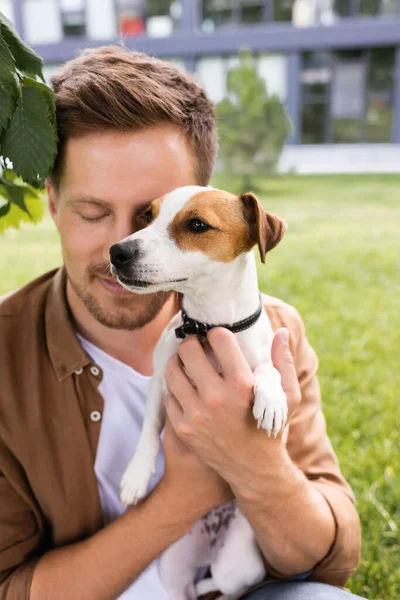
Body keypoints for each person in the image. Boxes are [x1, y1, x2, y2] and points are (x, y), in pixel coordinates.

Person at [0, 46, 363, 600]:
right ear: (51, 202)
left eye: (154, 214)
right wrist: (184, 497)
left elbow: (327, 559)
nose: (125, 245)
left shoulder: (276, 331)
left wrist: (261, 469)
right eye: (93, 212)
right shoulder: (5, 355)